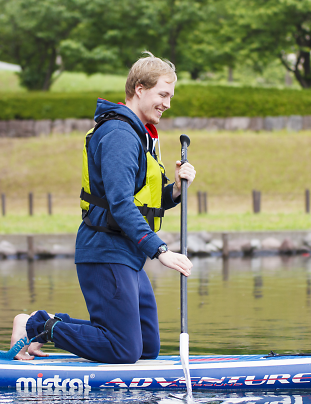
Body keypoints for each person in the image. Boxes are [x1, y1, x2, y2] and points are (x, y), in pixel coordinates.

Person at [10, 52, 196, 363]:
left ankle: (42, 326)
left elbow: (142, 202)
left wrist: (176, 189)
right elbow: (120, 206)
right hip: (105, 250)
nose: (167, 103)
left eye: (170, 96)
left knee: (146, 348)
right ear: (139, 88)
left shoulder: (136, 134)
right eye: (163, 94)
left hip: (127, 253)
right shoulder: (120, 134)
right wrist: (161, 251)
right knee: (124, 350)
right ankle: (36, 326)